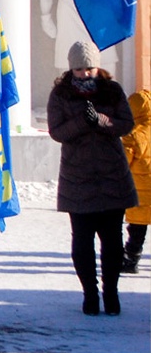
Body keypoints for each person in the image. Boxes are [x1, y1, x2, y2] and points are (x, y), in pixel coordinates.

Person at [48, 41, 138, 315]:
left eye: (89, 68)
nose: (85, 74)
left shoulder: (111, 90)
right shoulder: (60, 94)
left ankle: (111, 292)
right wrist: (81, 122)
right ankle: (89, 293)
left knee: (112, 241)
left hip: (112, 176)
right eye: (79, 69)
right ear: (71, 68)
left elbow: (126, 123)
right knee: (82, 241)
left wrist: (100, 119)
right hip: (78, 178)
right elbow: (57, 131)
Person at [121, 90, 150, 274]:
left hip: (141, 191)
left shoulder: (134, 134)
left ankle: (131, 259)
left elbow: (123, 160)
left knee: (138, 229)